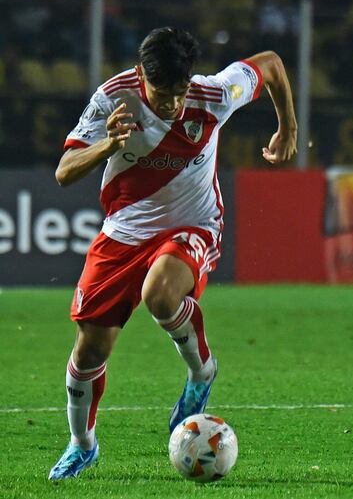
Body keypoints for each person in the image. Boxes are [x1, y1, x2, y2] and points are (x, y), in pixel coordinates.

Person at [48, 27, 297, 480]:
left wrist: (288, 126)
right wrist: (107, 146)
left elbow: (273, 65)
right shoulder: (112, 100)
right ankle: (82, 445)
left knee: (160, 294)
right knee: (89, 352)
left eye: (179, 92)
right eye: (163, 94)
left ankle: (201, 372)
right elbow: (65, 172)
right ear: (141, 74)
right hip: (124, 231)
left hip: (193, 224)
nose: (172, 104)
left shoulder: (214, 94)